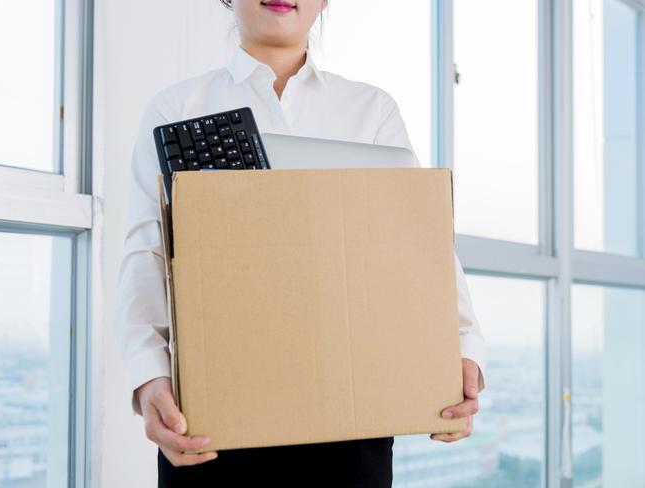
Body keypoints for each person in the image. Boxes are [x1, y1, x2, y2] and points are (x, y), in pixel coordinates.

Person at [115, 0, 487, 486]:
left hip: (351, 425)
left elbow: (421, 245)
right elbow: (146, 252)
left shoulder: (371, 111)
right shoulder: (177, 108)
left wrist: (462, 349)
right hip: (214, 425)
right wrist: (148, 379)